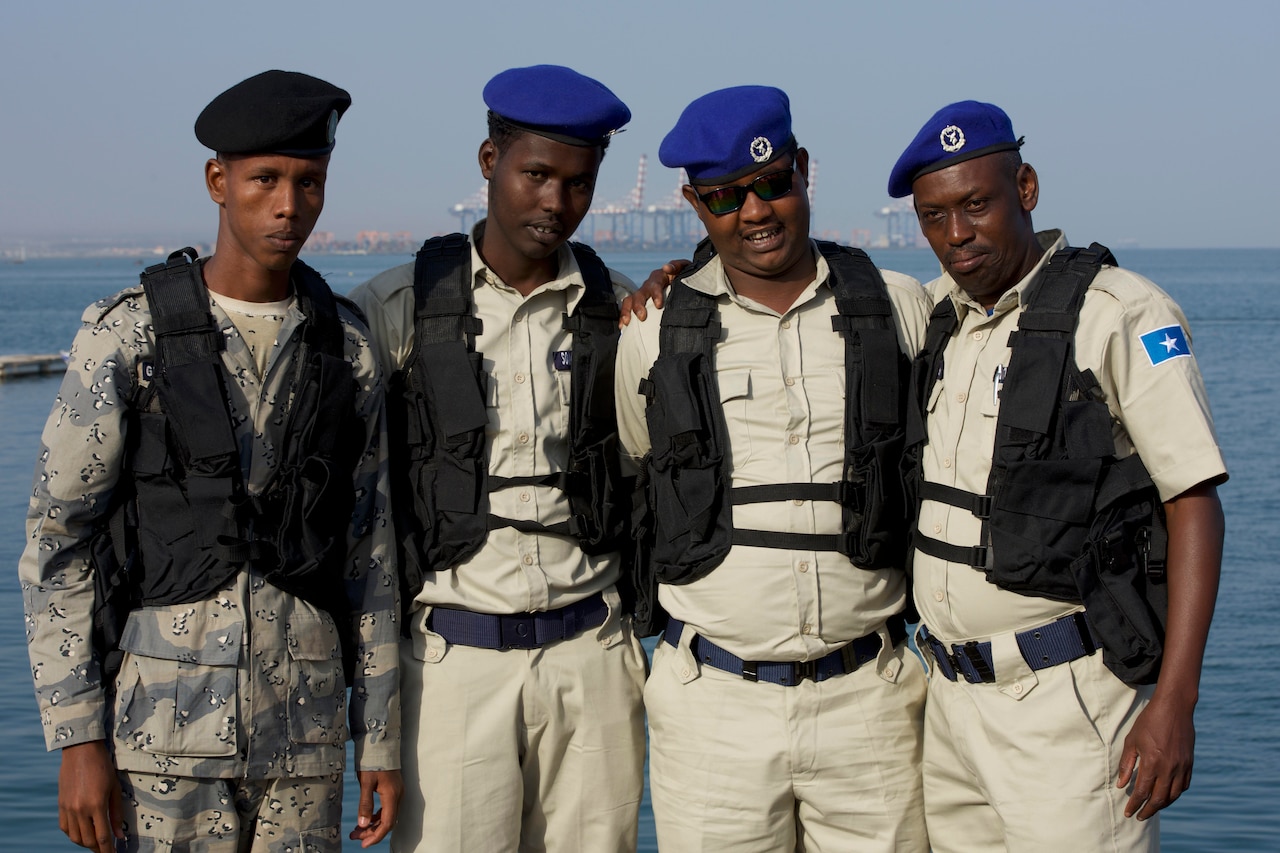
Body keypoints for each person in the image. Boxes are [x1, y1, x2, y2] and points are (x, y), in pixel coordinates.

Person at [18, 70, 402, 853]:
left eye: (309, 182)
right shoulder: (130, 340)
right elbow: (60, 543)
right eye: (265, 179)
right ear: (218, 181)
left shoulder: (349, 349)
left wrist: (382, 739)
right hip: (158, 741)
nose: (289, 205)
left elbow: (373, 553)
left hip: (305, 740)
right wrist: (77, 738)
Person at [888, 100, 1226, 852]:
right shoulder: (943, 317)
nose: (956, 233)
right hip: (947, 705)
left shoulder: (1118, 312)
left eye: (976, 204)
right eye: (934, 216)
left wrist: (1174, 702)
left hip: (1064, 706)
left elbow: (1193, 500)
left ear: (1026, 187)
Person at [615, 85, 931, 852]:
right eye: (725, 197)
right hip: (712, 710)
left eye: (771, 182)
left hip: (873, 704)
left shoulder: (897, 306)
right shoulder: (653, 332)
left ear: (802, 171)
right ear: (695, 206)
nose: (754, 211)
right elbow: (636, 466)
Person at [349, 65, 647, 853]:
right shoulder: (399, 309)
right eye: (537, 175)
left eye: (578, 183)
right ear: (490, 163)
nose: (556, 202)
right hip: (452, 666)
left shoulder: (621, 310)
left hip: (593, 660)